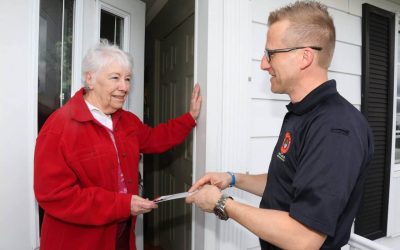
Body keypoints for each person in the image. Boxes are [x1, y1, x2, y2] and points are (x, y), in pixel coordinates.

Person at [186, 1, 374, 249]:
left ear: (305, 57)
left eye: (270, 54)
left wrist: (222, 204)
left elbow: (304, 238)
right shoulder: (301, 114)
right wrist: (232, 179)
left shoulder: (335, 128)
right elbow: (285, 186)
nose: (264, 64)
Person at [34, 41, 202, 250]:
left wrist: (189, 118)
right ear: (90, 78)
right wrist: (123, 204)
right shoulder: (59, 126)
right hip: (80, 240)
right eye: (115, 78)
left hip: (122, 231)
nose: (125, 87)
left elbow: (155, 138)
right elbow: (55, 196)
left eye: (128, 79)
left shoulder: (128, 120)